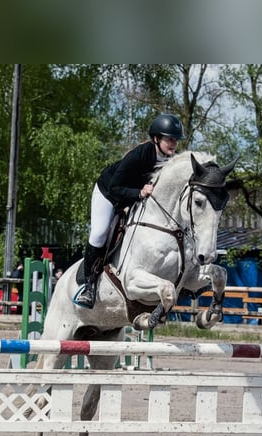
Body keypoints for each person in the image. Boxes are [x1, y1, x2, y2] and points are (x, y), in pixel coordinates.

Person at [74, 113, 185, 308]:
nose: (173, 143)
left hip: (135, 196)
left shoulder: (171, 161)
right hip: (108, 192)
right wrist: (140, 192)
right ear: (156, 138)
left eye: (175, 139)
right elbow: (116, 187)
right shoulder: (139, 155)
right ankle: (88, 285)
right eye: (169, 139)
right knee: (100, 233)